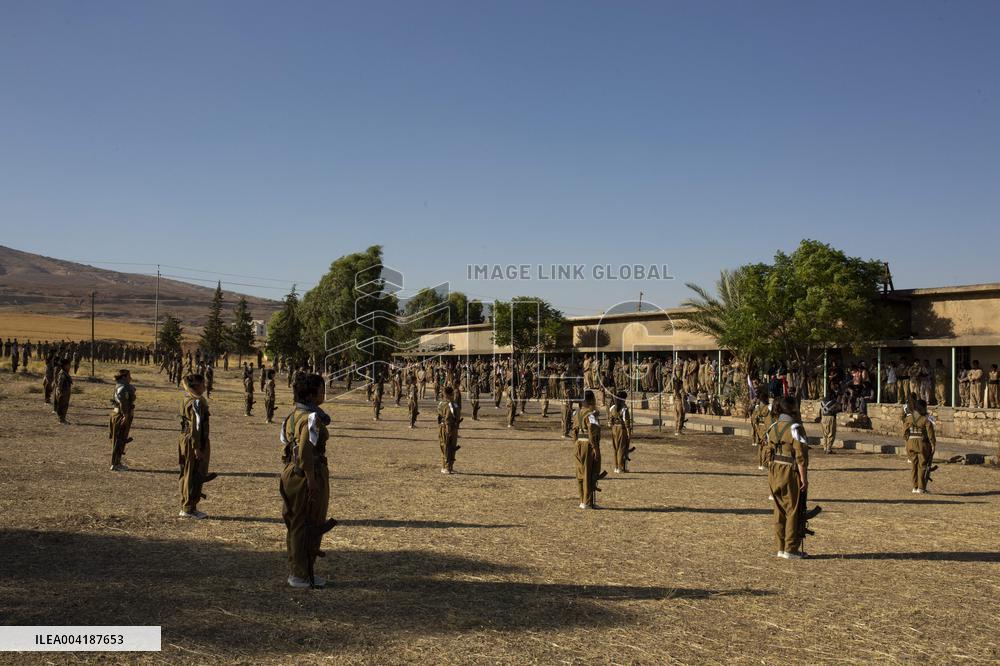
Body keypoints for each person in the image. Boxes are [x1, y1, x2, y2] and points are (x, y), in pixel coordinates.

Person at [279, 372, 336, 589]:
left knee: (297, 523)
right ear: (312, 395)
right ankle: (300, 574)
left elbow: (285, 440)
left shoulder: (292, 416)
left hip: (292, 472)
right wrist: (312, 479)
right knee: (307, 522)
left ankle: (302, 571)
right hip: (307, 473)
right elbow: (305, 451)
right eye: (322, 390)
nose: (324, 393)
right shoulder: (311, 418)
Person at [765, 396, 811, 559]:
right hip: (790, 469)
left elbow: (768, 451)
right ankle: (791, 548)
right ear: (792, 409)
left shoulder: (773, 427)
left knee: (779, 509)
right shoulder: (795, 428)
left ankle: (780, 546)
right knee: (793, 509)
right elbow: (800, 455)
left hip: (774, 470)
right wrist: (804, 479)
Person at [179, 374, 215, 519]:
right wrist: (197, 447)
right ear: (196, 386)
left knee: (187, 472)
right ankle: (188, 508)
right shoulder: (197, 402)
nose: (205, 386)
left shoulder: (187, 398)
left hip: (187, 438)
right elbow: (197, 426)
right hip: (194, 440)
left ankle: (188, 506)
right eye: (202, 384)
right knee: (193, 473)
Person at [573, 390, 605, 509]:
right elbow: (592, 431)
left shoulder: (577, 413)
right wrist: (595, 448)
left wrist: (575, 444)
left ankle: (582, 499)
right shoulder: (591, 414)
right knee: (588, 472)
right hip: (588, 444)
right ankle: (587, 501)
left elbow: (574, 431)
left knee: (580, 473)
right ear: (591, 400)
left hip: (578, 444)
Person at [902, 399, 936, 494]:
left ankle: (915, 486)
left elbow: (904, 431)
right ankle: (921, 487)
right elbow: (931, 434)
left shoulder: (908, 418)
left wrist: (907, 440)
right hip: (922, 444)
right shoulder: (925, 420)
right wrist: (933, 445)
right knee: (922, 465)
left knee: (914, 465)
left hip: (910, 443)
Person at [109, 369, 136, 471]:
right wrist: (125, 415)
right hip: (121, 415)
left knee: (119, 439)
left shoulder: (121, 385)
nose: (131, 378)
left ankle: (116, 462)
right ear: (124, 377)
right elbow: (123, 402)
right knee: (119, 440)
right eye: (129, 376)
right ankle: (115, 463)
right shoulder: (123, 387)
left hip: (118, 414)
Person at [437, 385, 461, 474]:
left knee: (450, 447)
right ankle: (446, 467)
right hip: (448, 428)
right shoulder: (449, 405)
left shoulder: (443, 404)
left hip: (449, 427)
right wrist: (448, 430)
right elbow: (447, 419)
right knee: (446, 447)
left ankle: (450, 466)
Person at [608, 390, 633, 473]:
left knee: (615, 448)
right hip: (622, 429)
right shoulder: (624, 408)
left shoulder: (612, 408)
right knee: (621, 448)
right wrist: (629, 432)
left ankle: (616, 467)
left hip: (614, 428)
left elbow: (610, 421)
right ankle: (621, 467)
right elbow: (626, 421)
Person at [750, 394, 771, 470]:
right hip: (766, 430)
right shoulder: (768, 408)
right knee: (766, 447)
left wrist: (756, 430)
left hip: (759, 430)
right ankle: (765, 463)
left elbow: (754, 420)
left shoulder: (757, 409)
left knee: (760, 448)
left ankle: (760, 464)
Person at [52, 357, 73, 424]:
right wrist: (59, 393)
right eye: (68, 365)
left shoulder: (65, 373)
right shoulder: (62, 374)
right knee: (62, 406)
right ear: (65, 366)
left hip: (65, 393)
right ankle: (61, 420)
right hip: (63, 393)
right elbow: (59, 384)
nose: (69, 366)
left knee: (65, 406)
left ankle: (63, 419)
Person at [819, 389, 840, 454]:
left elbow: (820, 411)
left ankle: (825, 448)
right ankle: (829, 449)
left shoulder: (822, 401)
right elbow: (838, 408)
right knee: (831, 433)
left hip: (823, 417)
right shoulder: (833, 402)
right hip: (831, 417)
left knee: (824, 434)